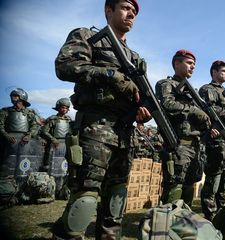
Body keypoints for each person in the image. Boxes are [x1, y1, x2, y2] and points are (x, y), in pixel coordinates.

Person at [51, 0, 152, 239]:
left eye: (134, 12)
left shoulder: (135, 58)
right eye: (126, 8)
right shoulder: (87, 35)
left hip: (125, 135)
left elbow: (141, 97)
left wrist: (142, 111)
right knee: (84, 201)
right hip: (95, 129)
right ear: (109, 10)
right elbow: (64, 66)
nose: (131, 14)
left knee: (115, 204)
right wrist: (109, 74)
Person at [156, 49, 219, 207]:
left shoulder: (193, 92)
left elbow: (200, 117)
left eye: (194, 64)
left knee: (189, 187)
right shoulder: (166, 84)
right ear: (177, 63)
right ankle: (166, 226)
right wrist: (193, 110)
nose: (193, 67)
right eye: (189, 63)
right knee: (174, 187)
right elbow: (167, 104)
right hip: (178, 143)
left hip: (195, 145)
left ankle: (183, 224)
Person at [198, 60, 225, 220]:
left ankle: (222, 211)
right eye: (223, 71)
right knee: (214, 176)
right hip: (217, 138)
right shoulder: (207, 89)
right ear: (214, 72)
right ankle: (210, 213)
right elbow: (207, 110)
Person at [0, 88, 39, 206]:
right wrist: (6, 136)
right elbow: (0, 125)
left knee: (23, 167)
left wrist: (29, 135)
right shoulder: (5, 111)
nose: (13, 98)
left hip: (24, 142)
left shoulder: (29, 113)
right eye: (12, 96)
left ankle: (22, 192)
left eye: (15, 96)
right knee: (6, 166)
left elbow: (34, 126)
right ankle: (6, 193)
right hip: (8, 142)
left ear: (22, 98)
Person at [40, 98, 72, 199]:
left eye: (66, 108)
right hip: (54, 146)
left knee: (64, 168)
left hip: (65, 145)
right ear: (58, 108)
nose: (64, 110)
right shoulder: (52, 119)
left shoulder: (69, 120)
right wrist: (53, 139)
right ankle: (50, 190)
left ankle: (62, 190)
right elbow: (44, 131)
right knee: (52, 168)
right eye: (63, 107)